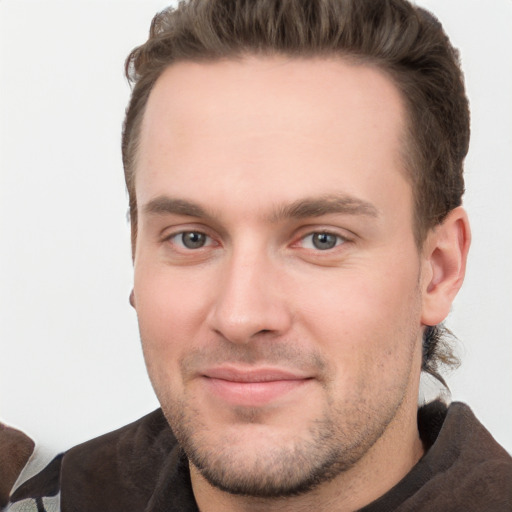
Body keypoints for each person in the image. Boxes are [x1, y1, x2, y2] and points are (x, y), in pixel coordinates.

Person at [5, 0, 512, 510]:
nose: (241, 316)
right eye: (192, 238)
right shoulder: (59, 495)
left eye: (322, 240)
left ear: (439, 271)